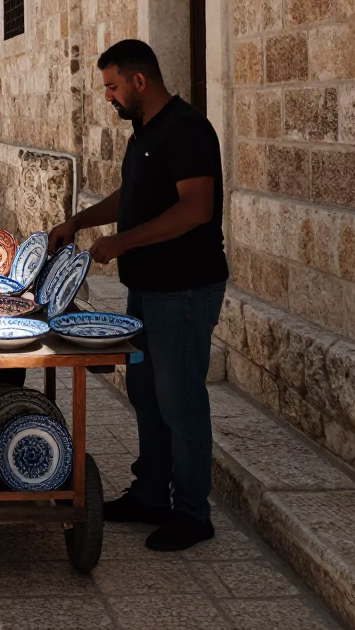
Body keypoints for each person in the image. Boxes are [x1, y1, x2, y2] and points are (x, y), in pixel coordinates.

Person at [48, 39, 228, 553]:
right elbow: (133, 195)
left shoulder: (188, 129)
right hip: (147, 288)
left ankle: (192, 514)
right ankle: (151, 494)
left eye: (112, 87)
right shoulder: (145, 130)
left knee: (181, 402)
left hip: (183, 289)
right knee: (145, 395)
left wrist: (123, 242)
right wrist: (79, 221)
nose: (108, 97)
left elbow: (195, 208)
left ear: (139, 81)